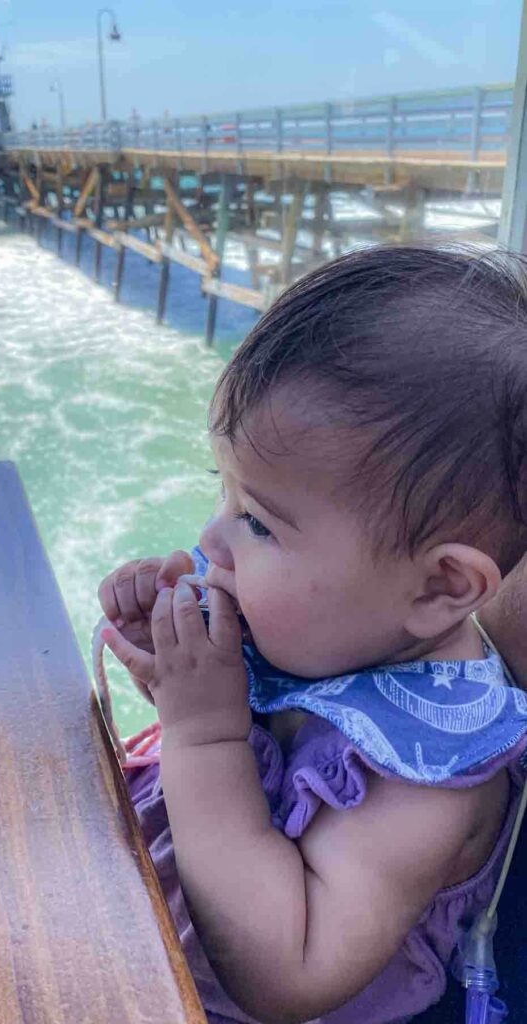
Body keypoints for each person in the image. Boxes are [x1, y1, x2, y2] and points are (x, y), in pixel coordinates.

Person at [97, 244, 527, 1024]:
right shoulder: (341, 625)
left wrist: (202, 732)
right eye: (222, 492)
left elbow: (286, 971)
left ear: (439, 587)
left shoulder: (428, 773)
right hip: (137, 926)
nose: (210, 540)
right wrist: (170, 668)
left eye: (257, 521)